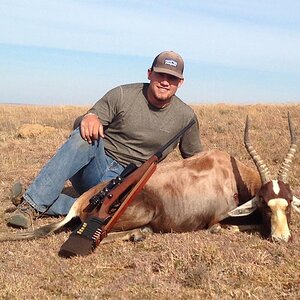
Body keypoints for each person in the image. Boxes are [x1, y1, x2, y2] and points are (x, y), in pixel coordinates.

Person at [6, 50, 202, 229]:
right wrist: (88, 118)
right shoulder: (122, 94)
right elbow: (88, 119)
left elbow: (195, 161)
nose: (165, 82)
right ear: (149, 73)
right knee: (83, 138)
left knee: (124, 209)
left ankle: (35, 197)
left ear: (180, 82)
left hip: (126, 182)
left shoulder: (186, 118)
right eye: (161, 74)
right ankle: (29, 207)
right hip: (95, 166)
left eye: (172, 78)